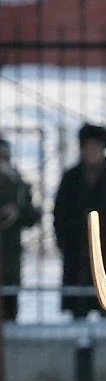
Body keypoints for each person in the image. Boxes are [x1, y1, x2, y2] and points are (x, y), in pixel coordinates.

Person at [53, 123, 106, 318]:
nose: (91, 152)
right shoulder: (70, 178)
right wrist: (66, 243)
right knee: (77, 312)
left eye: (95, 147)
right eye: (87, 147)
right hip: (76, 257)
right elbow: (58, 214)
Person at [0, 137, 41, 322]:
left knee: (9, 312)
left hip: (9, 260)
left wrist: (17, 212)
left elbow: (30, 217)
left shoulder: (17, 183)